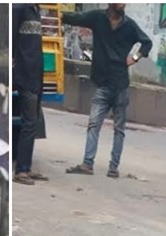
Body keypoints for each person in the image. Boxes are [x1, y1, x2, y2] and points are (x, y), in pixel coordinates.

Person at [62, 4, 152, 179]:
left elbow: (147, 42)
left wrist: (134, 58)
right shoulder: (97, 18)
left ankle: (113, 167)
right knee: (94, 124)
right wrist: (57, 13)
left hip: (121, 85)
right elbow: (75, 18)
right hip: (103, 84)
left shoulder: (130, 26)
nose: (123, 4)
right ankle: (88, 163)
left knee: (119, 129)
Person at [13, 3, 48, 185]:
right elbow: (11, 42)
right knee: (28, 123)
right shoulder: (19, 9)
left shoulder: (36, 11)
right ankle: (21, 171)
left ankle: (26, 167)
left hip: (37, 74)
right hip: (25, 75)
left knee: (32, 123)